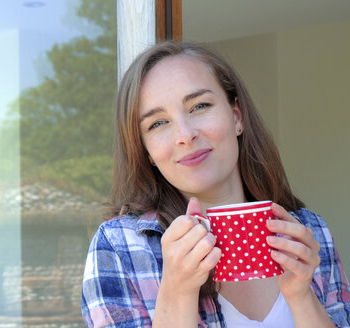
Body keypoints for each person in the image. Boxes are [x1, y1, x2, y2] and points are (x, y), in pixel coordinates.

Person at [81, 41, 350, 327]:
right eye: (157, 123)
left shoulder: (309, 232)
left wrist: (301, 296)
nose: (185, 135)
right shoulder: (119, 247)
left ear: (236, 117)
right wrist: (178, 292)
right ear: (147, 152)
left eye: (199, 106)